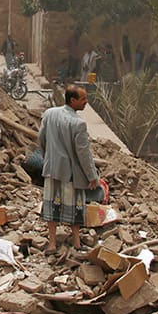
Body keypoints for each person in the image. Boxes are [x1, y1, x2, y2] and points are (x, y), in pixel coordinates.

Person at [38, 84, 100, 252]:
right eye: (83, 99)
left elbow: (41, 139)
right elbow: (83, 153)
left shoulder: (50, 114)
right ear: (73, 101)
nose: (86, 102)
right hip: (71, 173)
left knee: (51, 206)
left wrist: (48, 159)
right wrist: (92, 176)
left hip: (52, 168)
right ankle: (77, 242)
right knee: (75, 206)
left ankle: (52, 243)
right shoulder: (78, 123)